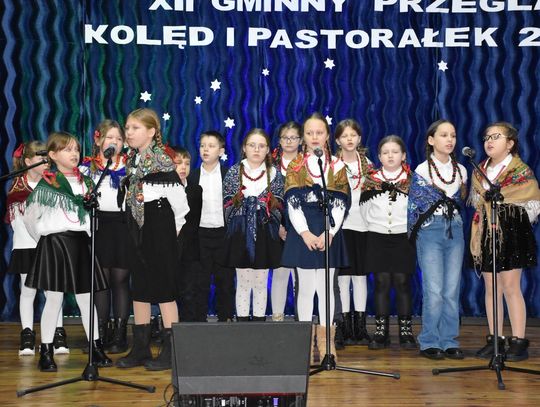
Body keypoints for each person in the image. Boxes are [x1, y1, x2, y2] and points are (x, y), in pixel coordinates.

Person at [24, 131, 111, 372]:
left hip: (80, 243)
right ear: (52, 155)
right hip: (56, 245)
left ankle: (95, 347)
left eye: (76, 149)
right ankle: (46, 351)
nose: (74, 154)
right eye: (67, 149)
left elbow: (92, 217)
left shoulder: (87, 183)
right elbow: (31, 218)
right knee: (54, 299)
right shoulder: (48, 183)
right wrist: (45, 239)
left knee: (87, 299)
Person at [116, 108, 189, 371]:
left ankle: (170, 352)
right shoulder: (132, 160)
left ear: (151, 131)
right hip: (137, 228)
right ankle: (140, 348)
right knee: (140, 288)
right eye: (127, 128)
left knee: (164, 289)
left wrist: (172, 235)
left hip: (159, 229)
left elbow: (180, 207)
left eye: (135, 128)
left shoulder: (162, 161)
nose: (129, 132)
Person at [281, 112, 349, 361]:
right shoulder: (295, 166)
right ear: (303, 137)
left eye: (319, 132)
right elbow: (292, 204)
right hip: (304, 233)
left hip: (328, 231)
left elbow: (341, 203)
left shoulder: (337, 166)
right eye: (309, 133)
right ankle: (304, 346)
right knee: (306, 288)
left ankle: (327, 344)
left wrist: (329, 232)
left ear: (327, 136)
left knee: (326, 288)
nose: (314, 137)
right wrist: (306, 233)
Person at [470, 122, 540, 362]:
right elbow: (477, 200)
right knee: (491, 287)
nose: (489, 141)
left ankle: (518, 341)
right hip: (486, 230)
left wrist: (505, 209)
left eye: (496, 137)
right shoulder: (479, 170)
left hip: (511, 231)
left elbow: (532, 202)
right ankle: (496, 339)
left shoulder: (520, 171)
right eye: (487, 137)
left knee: (511, 286)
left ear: (510, 144)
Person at [408, 119, 468, 360]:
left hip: (455, 229)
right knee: (434, 289)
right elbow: (416, 208)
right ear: (431, 140)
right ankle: (429, 340)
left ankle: (449, 339)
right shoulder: (422, 170)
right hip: (430, 230)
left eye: (452, 135)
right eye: (443, 135)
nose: (449, 140)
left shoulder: (462, 170)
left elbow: (463, 202)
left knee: (452, 288)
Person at [6, 141, 69, 356]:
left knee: (53, 291)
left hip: (49, 244)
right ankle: (27, 334)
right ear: (27, 161)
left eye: (47, 160)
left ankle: (57, 333)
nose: (45, 163)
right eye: (40, 159)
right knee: (28, 290)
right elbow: (18, 222)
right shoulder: (17, 188)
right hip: (26, 244)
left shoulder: (53, 183)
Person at [79, 120, 131, 354]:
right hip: (97, 225)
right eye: (110, 137)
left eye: (119, 139)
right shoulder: (86, 168)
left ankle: (120, 334)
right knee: (100, 281)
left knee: (120, 280)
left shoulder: (130, 167)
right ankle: (100, 334)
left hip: (122, 226)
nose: (115, 142)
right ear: (98, 139)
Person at [361, 136, 416, 350]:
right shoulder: (371, 180)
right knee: (381, 282)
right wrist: (376, 226)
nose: (390, 156)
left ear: (403, 155)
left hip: (403, 237)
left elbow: (416, 210)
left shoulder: (412, 180)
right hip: (377, 236)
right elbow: (365, 210)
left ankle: (406, 331)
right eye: (385, 152)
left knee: (402, 282)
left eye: (395, 152)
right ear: (379, 156)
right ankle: (381, 331)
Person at [223, 128, 285, 321]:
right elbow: (227, 203)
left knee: (260, 281)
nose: (256, 150)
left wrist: (262, 207)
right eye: (252, 145)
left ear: (267, 149)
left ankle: (259, 322)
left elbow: (279, 204)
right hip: (240, 232)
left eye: (261, 146)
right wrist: (248, 205)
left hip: (265, 232)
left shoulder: (274, 174)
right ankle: (242, 322)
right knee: (243, 281)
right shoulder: (234, 172)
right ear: (244, 148)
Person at [187, 131, 235, 322]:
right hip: (199, 236)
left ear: (221, 151)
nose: (206, 149)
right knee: (200, 282)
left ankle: (226, 320)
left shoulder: (229, 175)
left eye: (211, 146)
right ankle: (199, 322)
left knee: (226, 282)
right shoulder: (192, 176)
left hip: (224, 235)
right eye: (202, 145)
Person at [334, 119, 372, 347]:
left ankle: (360, 326)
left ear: (359, 138)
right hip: (341, 227)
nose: (349, 139)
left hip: (364, 226)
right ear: (337, 140)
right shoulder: (332, 165)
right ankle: (345, 325)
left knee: (360, 277)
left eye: (353, 135)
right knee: (342, 277)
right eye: (344, 136)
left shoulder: (368, 164)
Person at [270, 121, 301, 321]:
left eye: (293, 138)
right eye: (285, 138)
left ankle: (301, 318)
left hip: (303, 229)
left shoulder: (307, 164)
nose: (289, 141)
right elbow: (266, 199)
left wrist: (301, 227)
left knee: (301, 276)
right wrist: (278, 226)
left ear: (300, 140)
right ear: (279, 141)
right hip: (278, 226)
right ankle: (277, 318)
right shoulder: (271, 166)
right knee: (280, 274)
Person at [171, 147, 203, 322]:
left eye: (187, 163)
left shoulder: (195, 190)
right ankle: (167, 327)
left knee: (189, 291)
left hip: (189, 249)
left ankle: (188, 328)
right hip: (168, 247)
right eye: (178, 163)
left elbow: (194, 222)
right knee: (168, 291)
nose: (183, 167)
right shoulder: (161, 189)